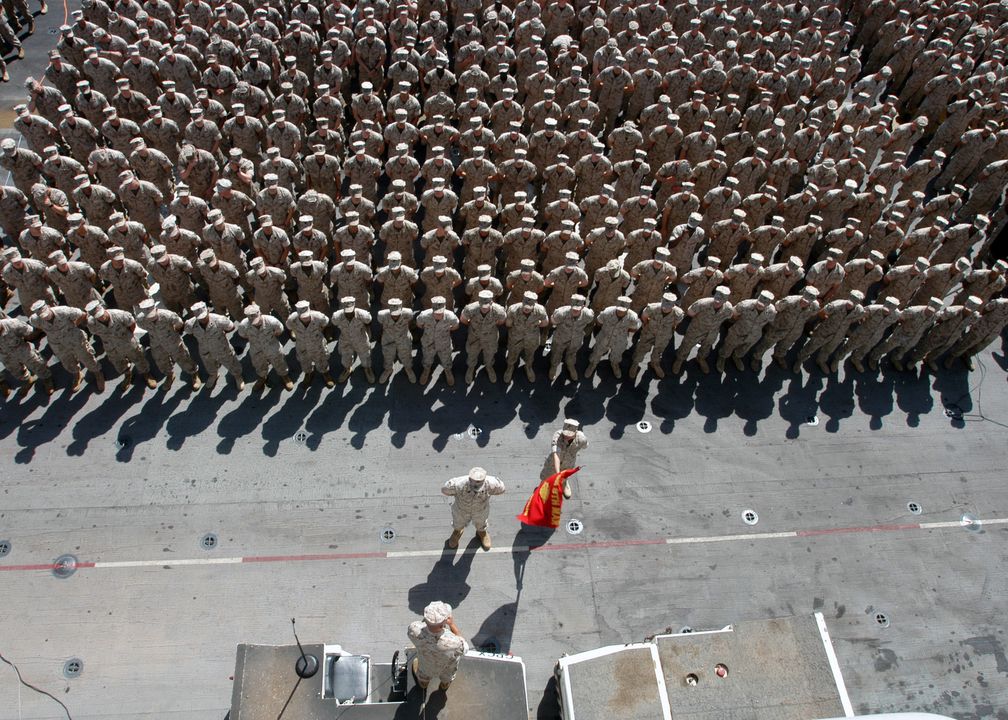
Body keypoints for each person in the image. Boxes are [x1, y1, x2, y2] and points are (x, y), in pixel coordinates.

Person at [407, 601, 468, 692]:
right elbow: (465, 648)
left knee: (424, 674)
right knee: (447, 676)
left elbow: (418, 627)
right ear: (443, 623)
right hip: (446, 668)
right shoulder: (453, 641)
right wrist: (451, 624)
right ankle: (444, 685)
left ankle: (424, 684)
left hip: (426, 665)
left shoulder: (414, 629)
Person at [441, 467, 505, 550]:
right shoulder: (457, 484)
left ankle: (481, 532)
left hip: (481, 509)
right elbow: (445, 490)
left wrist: (491, 490)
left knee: (481, 522)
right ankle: (457, 531)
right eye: (474, 481)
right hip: (461, 509)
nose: (476, 484)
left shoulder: (491, 483)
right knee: (458, 522)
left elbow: (502, 489)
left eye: (479, 482)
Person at [541, 419, 588, 498]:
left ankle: (564, 483)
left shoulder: (581, 439)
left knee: (565, 474)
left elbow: (585, 446)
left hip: (568, 462)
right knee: (547, 475)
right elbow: (557, 455)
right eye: (565, 434)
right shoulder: (558, 435)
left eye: (569, 436)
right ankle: (543, 486)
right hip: (553, 463)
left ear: (575, 433)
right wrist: (558, 475)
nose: (566, 437)